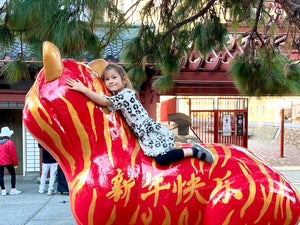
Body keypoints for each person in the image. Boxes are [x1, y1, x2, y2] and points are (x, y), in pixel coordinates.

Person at [66, 63, 215, 165]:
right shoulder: (123, 95)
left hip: (147, 132)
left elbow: (104, 102)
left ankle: (194, 151)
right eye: (106, 79)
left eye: (114, 77)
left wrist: (83, 89)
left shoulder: (125, 95)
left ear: (124, 80)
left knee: (161, 160)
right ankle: (190, 149)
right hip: (144, 133)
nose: (110, 81)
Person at [0, 126, 22, 196]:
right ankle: (13, 189)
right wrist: (15, 164)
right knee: (12, 174)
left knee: (1, 176)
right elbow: (13, 155)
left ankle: (3, 190)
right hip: (8, 162)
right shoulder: (10, 142)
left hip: (0, 162)